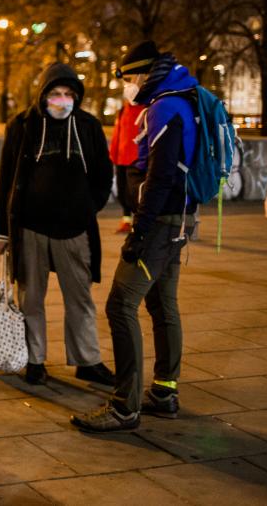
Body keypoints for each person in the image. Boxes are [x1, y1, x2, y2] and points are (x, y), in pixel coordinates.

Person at [72, 41, 198, 432]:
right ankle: (164, 392)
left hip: (160, 222)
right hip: (180, 217)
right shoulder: (181, 98)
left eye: (128, 78)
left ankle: (124, 406)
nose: (126, 85)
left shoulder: (164, 108)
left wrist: (139, 230)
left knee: (120, 305)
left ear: (144, 74)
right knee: (163, 304)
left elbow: (159, 177)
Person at [0, 63, 115, 387]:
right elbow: (6, 179)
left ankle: (87, 360)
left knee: (80, 299)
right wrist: (1, 231)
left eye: (68, 94)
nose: (62, 100)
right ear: (43, 95)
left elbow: (104, 175)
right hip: (31, 228)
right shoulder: (22, 125)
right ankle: (35, 360)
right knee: (31, 297)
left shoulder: (88, 126)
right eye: (55, 94)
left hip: (75, 230)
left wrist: (88, 207)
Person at [109, 97, 146, 233]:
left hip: (137, 160)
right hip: (121, 158)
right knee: (122, 191)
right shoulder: (123, 109)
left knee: (135, 193)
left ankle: (137, 221)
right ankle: (126, 220)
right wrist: (113, 154)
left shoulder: (145, 109)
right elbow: (117, 134)